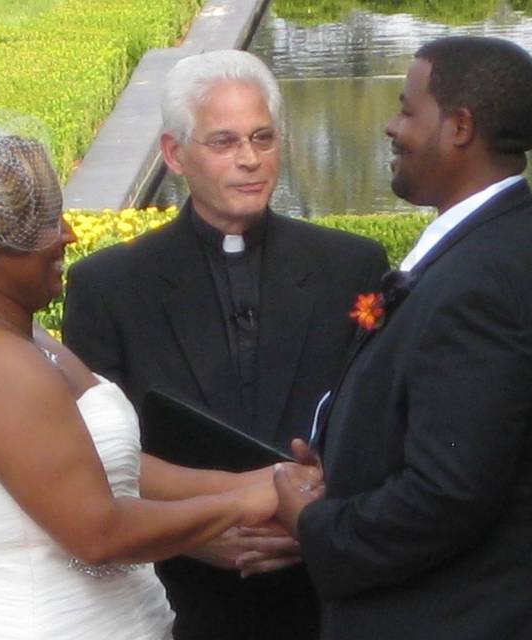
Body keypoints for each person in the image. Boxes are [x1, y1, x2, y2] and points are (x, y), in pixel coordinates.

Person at [0, 123, 284, 640]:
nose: (67, 234)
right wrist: (241, 504)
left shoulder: (9, 327)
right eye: (43, 224)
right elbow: (98, 533)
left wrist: (262, 481)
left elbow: (104, 466)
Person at [272, 36, 532, 640]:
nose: (391, 126)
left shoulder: (487, 284)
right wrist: (344, 466)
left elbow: (447, 495)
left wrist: (316, 525)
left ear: (459, 127)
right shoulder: (499, 246)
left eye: (408, 109)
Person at [63, 50, 389, 640]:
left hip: (324, 598)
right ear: (174, 154)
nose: (250, 159)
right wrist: (192, 531)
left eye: (263, 138)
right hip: (180, 599)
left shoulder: (352, 266)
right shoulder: (108, 286)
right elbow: (92, 457)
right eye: (224, 142)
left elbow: (380, 420)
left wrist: (307, 522)